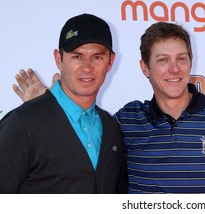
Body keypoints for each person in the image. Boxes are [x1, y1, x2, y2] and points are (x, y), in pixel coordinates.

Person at [11, 22, 205, 194]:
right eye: (163, 60)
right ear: (145, 67)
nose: (174, 70)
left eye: (181, 59)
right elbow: (80, 137)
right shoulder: (125, 121)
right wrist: (48, 107)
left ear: (191, 62)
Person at [0, 13, 128, 193]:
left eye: (97, 57)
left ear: (110, 62)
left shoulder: (111, 128)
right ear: (59, 59)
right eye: (77, 56)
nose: (87, 67)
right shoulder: (22, 123)